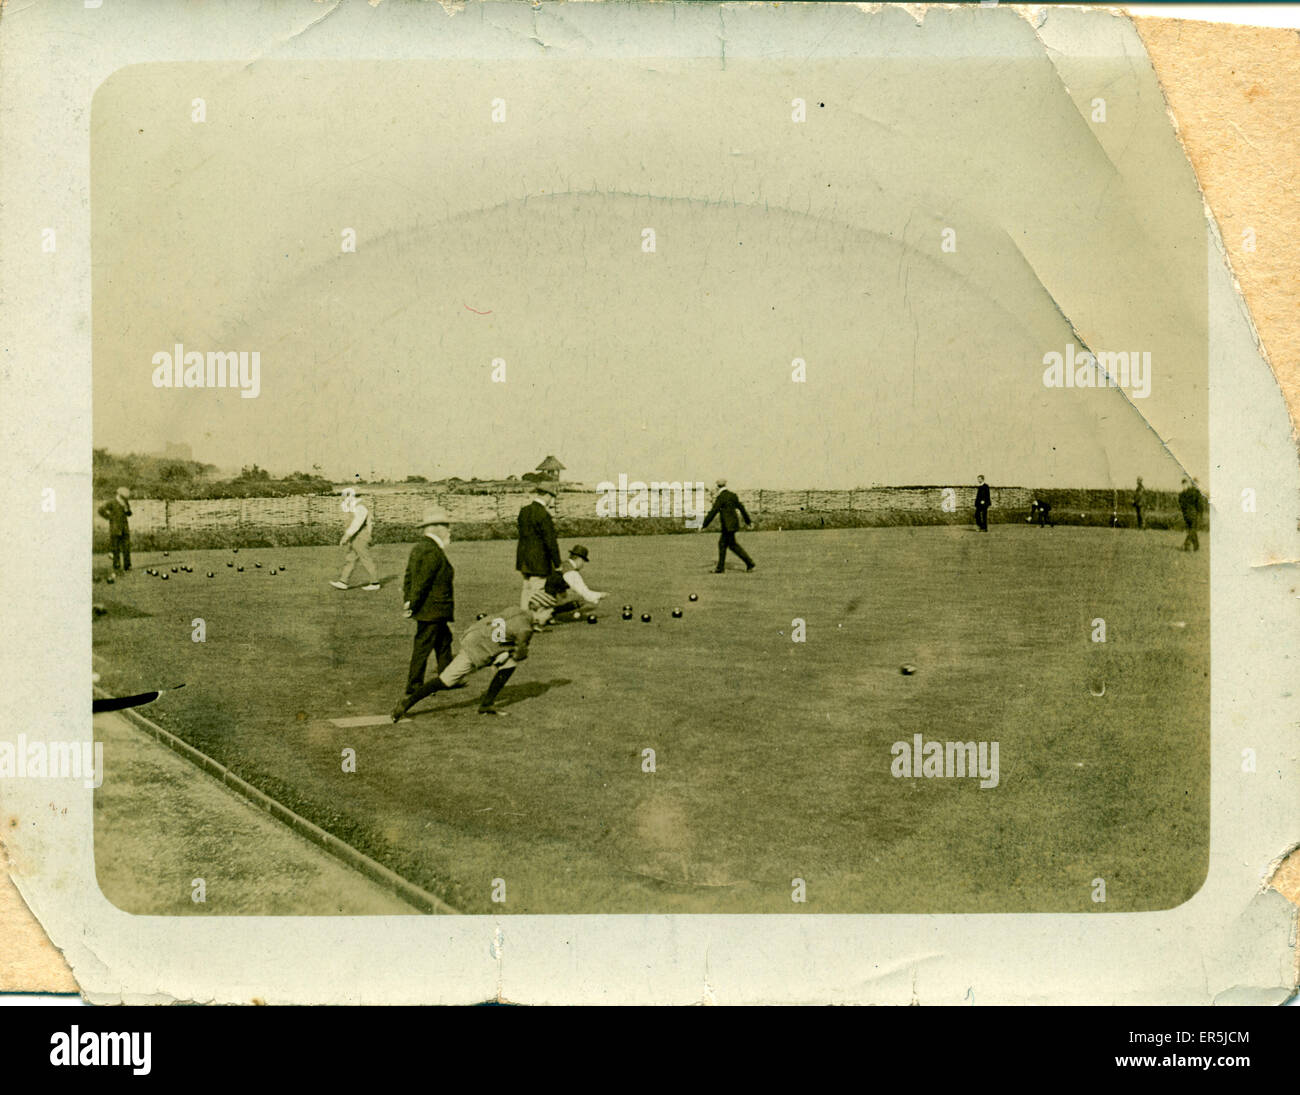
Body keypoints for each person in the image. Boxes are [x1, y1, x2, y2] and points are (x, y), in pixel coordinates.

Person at [392, 592, 553, 720]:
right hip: (478, 648)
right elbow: (520, 654)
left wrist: (503, 653)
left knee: (507, 663)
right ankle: (406, 703)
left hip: (476, 636)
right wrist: (506, 653)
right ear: (539, 610)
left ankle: (487, 703)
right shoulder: (526, 629)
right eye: (549, 612)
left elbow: (497, 626)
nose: (550, 617)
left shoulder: (515, 610)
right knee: (446, 681)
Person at [401, 507, 456, 697]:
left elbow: (409, 578)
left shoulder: (420, 548)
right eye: (446, 527)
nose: (449, 531)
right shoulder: (431, 551)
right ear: (437, 528)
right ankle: (414, 685)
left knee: (444, 640)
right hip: (432, 609)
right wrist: (412, 604)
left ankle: (448, 677)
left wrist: (408, 601)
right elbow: (422, 582)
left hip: (429, 608)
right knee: (423, 646)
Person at [516, 483, 561, 609]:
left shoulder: (524, 511)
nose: (552, 500)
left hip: (524, 558)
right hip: (539, 560)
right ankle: (536, 619)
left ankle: (523, 618)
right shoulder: (544, 514)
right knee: (538, 591)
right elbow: (550, 541)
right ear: (547, 495)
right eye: (552, 496)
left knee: (526, 589)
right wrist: (557, 563)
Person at [702, 479, 755, 572]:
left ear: (717, 487)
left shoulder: (721, 497)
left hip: (727, 526)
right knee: (728, 545)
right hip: (733, 525)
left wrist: (704, 524)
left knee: (727, 545)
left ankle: (747, 563)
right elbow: (742, 508)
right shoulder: (732, 495)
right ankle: (722, 567)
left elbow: (713, 512)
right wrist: (748, 522)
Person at [330, 491, 380, 591]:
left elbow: (356, 524)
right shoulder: (356, 506)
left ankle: (375, 583)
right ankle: (343, 581)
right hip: (356, 537)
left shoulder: (360, 507)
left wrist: (346, 536)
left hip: (360, 537)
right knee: (351, 558)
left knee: (365, 558)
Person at [542, 544, 607, 616]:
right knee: (581, 598)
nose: (583, 565)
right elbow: (585, 593)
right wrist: (600, 595)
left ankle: (550, 614)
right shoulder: (571, 572)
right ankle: (549, 613)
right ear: (579, 559)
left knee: (570, 595)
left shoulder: (564, 564)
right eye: (583, 561)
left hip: (542, 595)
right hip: (545, 600)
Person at [98, 486, 133, 572]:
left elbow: (129, 514)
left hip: (125, 528)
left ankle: (127, 566)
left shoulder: (125, 502)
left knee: (126, 547)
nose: (125, 497)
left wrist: (127, 509)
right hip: (115, 527)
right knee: (115, 547)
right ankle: (116, 565)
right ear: (119, 495)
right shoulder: (111, 502)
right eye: (124, 496)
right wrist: (109, 517)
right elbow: (100, 510)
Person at [1178, 478, 1204, 551]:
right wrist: (1201, 515)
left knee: (1192, 529)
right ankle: (1187, 543)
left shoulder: (1184, 493)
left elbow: (1181, 504)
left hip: (1186, 515)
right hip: (1194, 514)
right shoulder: (1197, 492)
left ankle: (1196, 546)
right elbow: (1200, 505)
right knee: (1193, 529)